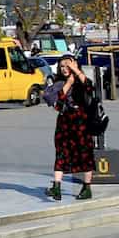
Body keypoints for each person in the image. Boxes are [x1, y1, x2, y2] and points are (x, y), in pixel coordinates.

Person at [48, 57, 96, 201]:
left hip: (81, 122)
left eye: (67, 65)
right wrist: (68, 84)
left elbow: (90, 87)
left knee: (85, 153)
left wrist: (76, 71)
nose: (64, 68)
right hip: (64, 122)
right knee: (61, 153)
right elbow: (57, 103)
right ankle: (56, 186)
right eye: (62, 66)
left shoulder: (81, 81)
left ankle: (87, 187)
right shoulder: (59, 84)